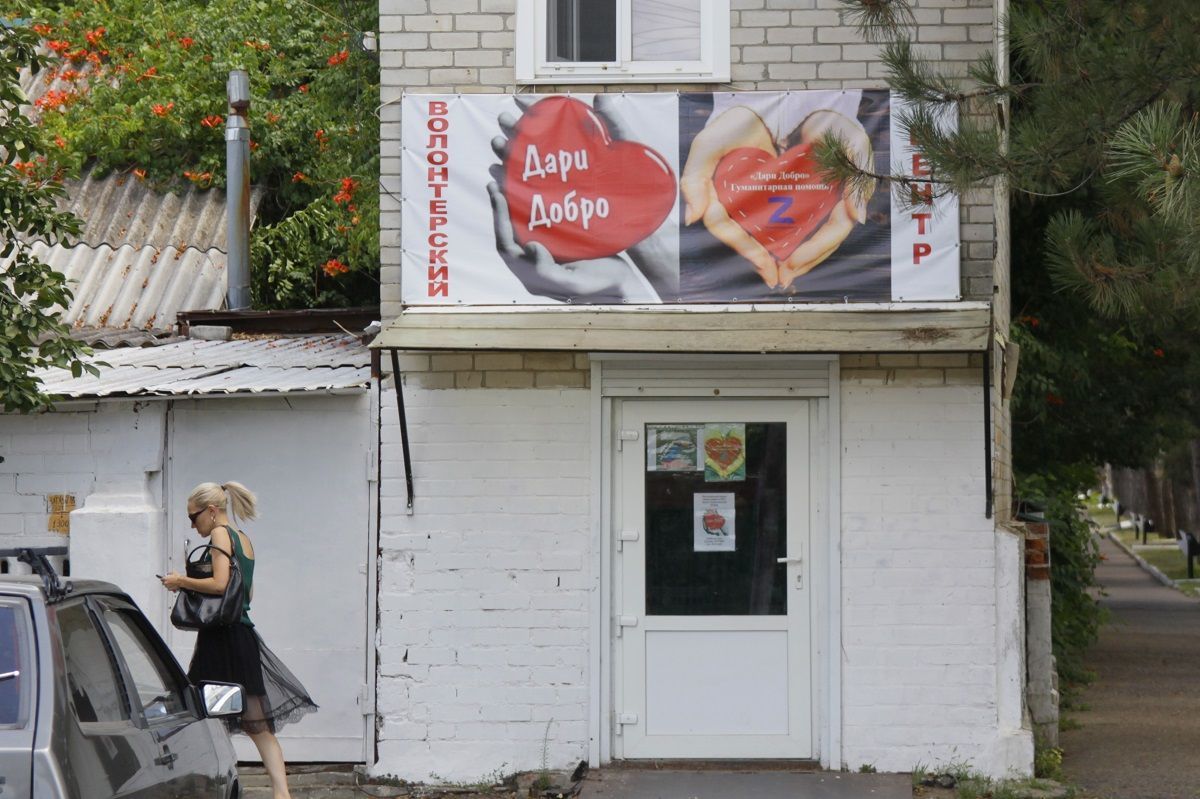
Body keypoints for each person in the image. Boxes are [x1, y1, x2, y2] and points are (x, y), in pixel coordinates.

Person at [161, 482, 317, 799]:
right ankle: (282, 794)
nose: (192, 524)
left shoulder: (220, 535)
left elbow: (219, 585)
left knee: (202, 713)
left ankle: (204, 783)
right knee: (256, 724)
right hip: (241, 636)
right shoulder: (243, 539)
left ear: (212, 511)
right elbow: (245, 591)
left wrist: (181, 581)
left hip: (222, 639)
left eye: (194, 517)